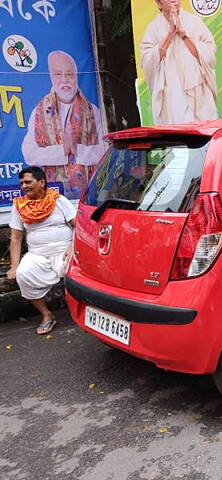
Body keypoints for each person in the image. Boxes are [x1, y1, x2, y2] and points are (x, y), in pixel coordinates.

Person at [21, 51, 106, 198]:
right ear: (51, 77)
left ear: (76, 76)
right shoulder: (39, 112)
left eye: (69, 74)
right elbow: (29, 154)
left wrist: (78, 149)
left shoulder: (92, 111)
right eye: (58, 74)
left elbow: (106, 150)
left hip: (89, 194)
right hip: (53, 194)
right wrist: (62, 150)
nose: (64, 80)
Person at [7, 167, 76, 335]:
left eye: (28, 182)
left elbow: (78, 226)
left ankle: (80, 314)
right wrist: (14, 266)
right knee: (23, 274)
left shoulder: (59, 201)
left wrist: (72, 246)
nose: (24, 186)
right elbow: (16, 238)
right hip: (37, 254)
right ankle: (47, 315)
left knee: (77, 274)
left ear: (42, 182)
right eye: (22, 183)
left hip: (64, 251)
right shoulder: (19, 206)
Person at [140, 0, 218, 124]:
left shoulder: (194, 21)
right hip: (170, 89)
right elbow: (147, 61)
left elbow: (209, 54)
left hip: (195, 86)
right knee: (176, 132)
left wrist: (183, 33)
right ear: (159, 3)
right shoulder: (153, 27)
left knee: (202, 130)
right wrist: (170, 33)